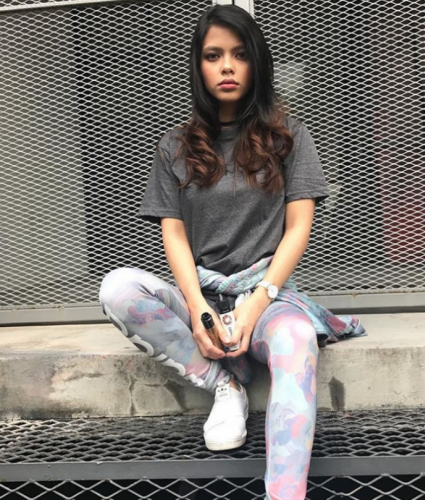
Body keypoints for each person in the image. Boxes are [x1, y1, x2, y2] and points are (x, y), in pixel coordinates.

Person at [98, 5, 365, 499]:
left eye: (240, 55)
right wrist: (199, 311)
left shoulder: (289, 137)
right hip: (203, 293)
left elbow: (298, 228)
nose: (227, 67)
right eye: (213, 55)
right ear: (198, 65)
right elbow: (174, 235)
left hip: (266, 293)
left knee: (297, 338)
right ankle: (225, 385)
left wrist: (259, 301)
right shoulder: (175, 146)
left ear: (256, 62)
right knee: (118, 287)